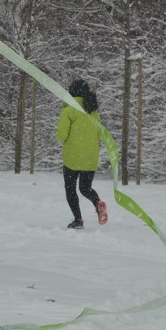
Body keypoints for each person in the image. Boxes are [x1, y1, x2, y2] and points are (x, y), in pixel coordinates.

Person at [56, 79, 108, 229]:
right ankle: (97, 202)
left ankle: (78, 220)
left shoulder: (69, 110)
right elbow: (100, 134)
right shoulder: (93, 111)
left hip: (72, 158)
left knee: (70, 189)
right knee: (85, 188)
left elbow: (61, 135)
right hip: (90, 158)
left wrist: (62, 139)